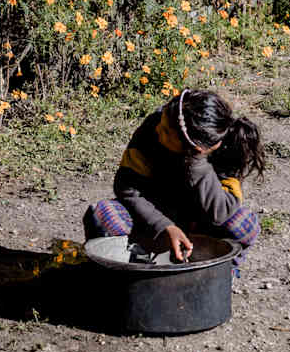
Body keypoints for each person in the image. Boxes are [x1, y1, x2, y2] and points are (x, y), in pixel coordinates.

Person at [84, 89, 264, 273]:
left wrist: (196, 162)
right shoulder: (154, 126)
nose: (158, 129)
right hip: (151, 218)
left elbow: (220, 212)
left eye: (166, 132)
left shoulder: (230, 145)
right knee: (103, 214)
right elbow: (126, 186)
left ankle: (220, 274)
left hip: (200, 227)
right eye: (162, 123)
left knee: (244, 225)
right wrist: (163, 226)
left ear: (195, 148)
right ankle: (133, 271)